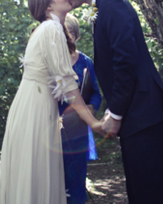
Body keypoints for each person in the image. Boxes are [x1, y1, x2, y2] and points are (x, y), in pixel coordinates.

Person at [54, 0, 163, 204]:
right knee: (139, 186)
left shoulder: (113, 3)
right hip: (135, 110)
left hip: (142, 110)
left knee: (149, 187)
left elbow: (125, 61)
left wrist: (116, 114)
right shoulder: (103, 7)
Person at [0, 0, 103, 204]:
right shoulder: (50, 29)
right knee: (36, 172)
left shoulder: (50, 29)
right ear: (48, 6)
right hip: (35, 110)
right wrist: (94, 123)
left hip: (34, 105)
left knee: (35, 174)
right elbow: (67, 85)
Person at [59, 14, 102, 204]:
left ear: (76, 36)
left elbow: (95, 93)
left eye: (69, 35)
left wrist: (92, 107)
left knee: (75, 177)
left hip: (77, 129)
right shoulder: (51, 62)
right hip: (53, 128)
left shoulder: (86, 62)